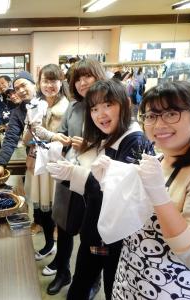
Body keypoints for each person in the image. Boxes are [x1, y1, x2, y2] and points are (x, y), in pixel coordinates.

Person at [47, 79, 153, 300]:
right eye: (94, 108)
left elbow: (117, 193)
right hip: (95, 230)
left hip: (118, 238)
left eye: (108, 105)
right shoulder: (108, 137)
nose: (100, 114)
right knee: (80, 285)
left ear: (124, 103)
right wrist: (68, 173)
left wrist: (74, 175)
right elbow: (94, 186)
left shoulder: (135, 140)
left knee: (111, 288)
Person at [109, 81, 190, 299]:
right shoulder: (158, 160)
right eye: (150, 116)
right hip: (129, 280)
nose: (158, 124)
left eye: (170, 113)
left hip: (170, 289)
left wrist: (159, 196)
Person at [44, 59, 107, 296]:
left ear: (98, 76)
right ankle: (63, 272)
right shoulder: (74, 107)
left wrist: (89, 146)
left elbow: (114, 140)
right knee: (65, 226)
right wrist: (60, 139)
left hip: (95, 181)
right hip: (69, 173)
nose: (82, 83)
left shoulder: (110, 105)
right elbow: (61, 132)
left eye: (87, 77)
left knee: (93, 234)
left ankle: (93, 280)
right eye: (77, 79)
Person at [21, 64, 70, 271]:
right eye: (45, 81)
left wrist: (43, 135)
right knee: (41, 210)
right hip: (38, 162)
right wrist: (30, 130)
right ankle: (49, 244)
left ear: (61, 82)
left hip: (57, 165)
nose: (49, 85)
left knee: (57, 211)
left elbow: (65, 139)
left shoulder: (69, 106)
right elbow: (26, 138)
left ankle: (59, 256)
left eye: (53, 80)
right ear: (39, 83)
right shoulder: (35, 104)